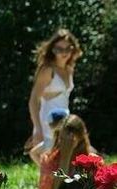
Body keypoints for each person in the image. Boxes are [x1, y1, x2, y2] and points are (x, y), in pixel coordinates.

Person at [27, 29, 82, 165]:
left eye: (67, 48)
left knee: (65, 165)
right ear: (52, 50)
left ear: (73, 49)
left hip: (64, 123)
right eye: (59, 49)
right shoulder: (47, 70)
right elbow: (34, 100)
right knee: (50, 166)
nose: (64, 53)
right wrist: (38, 129)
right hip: (47, 124)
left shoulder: (69, 69)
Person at [38, 114, 99, 189]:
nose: (65, 143)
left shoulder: (92, 161)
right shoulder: (48, 160)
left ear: (80, 139)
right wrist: (65, 159)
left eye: (70, 140)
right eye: (62, 139)